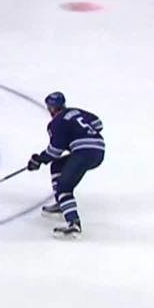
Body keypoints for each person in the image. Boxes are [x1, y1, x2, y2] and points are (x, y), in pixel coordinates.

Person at [27, 92, 104, 239]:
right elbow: (98, 124)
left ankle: (74, 224)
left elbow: (54, 151)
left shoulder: (56, 123)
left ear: (51, 108)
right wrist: (79, 134)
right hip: (99, 150)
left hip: (83, 153)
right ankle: (61, 205)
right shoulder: (76, 111)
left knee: (64, 188)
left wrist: (38, 160)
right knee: (57, 166)